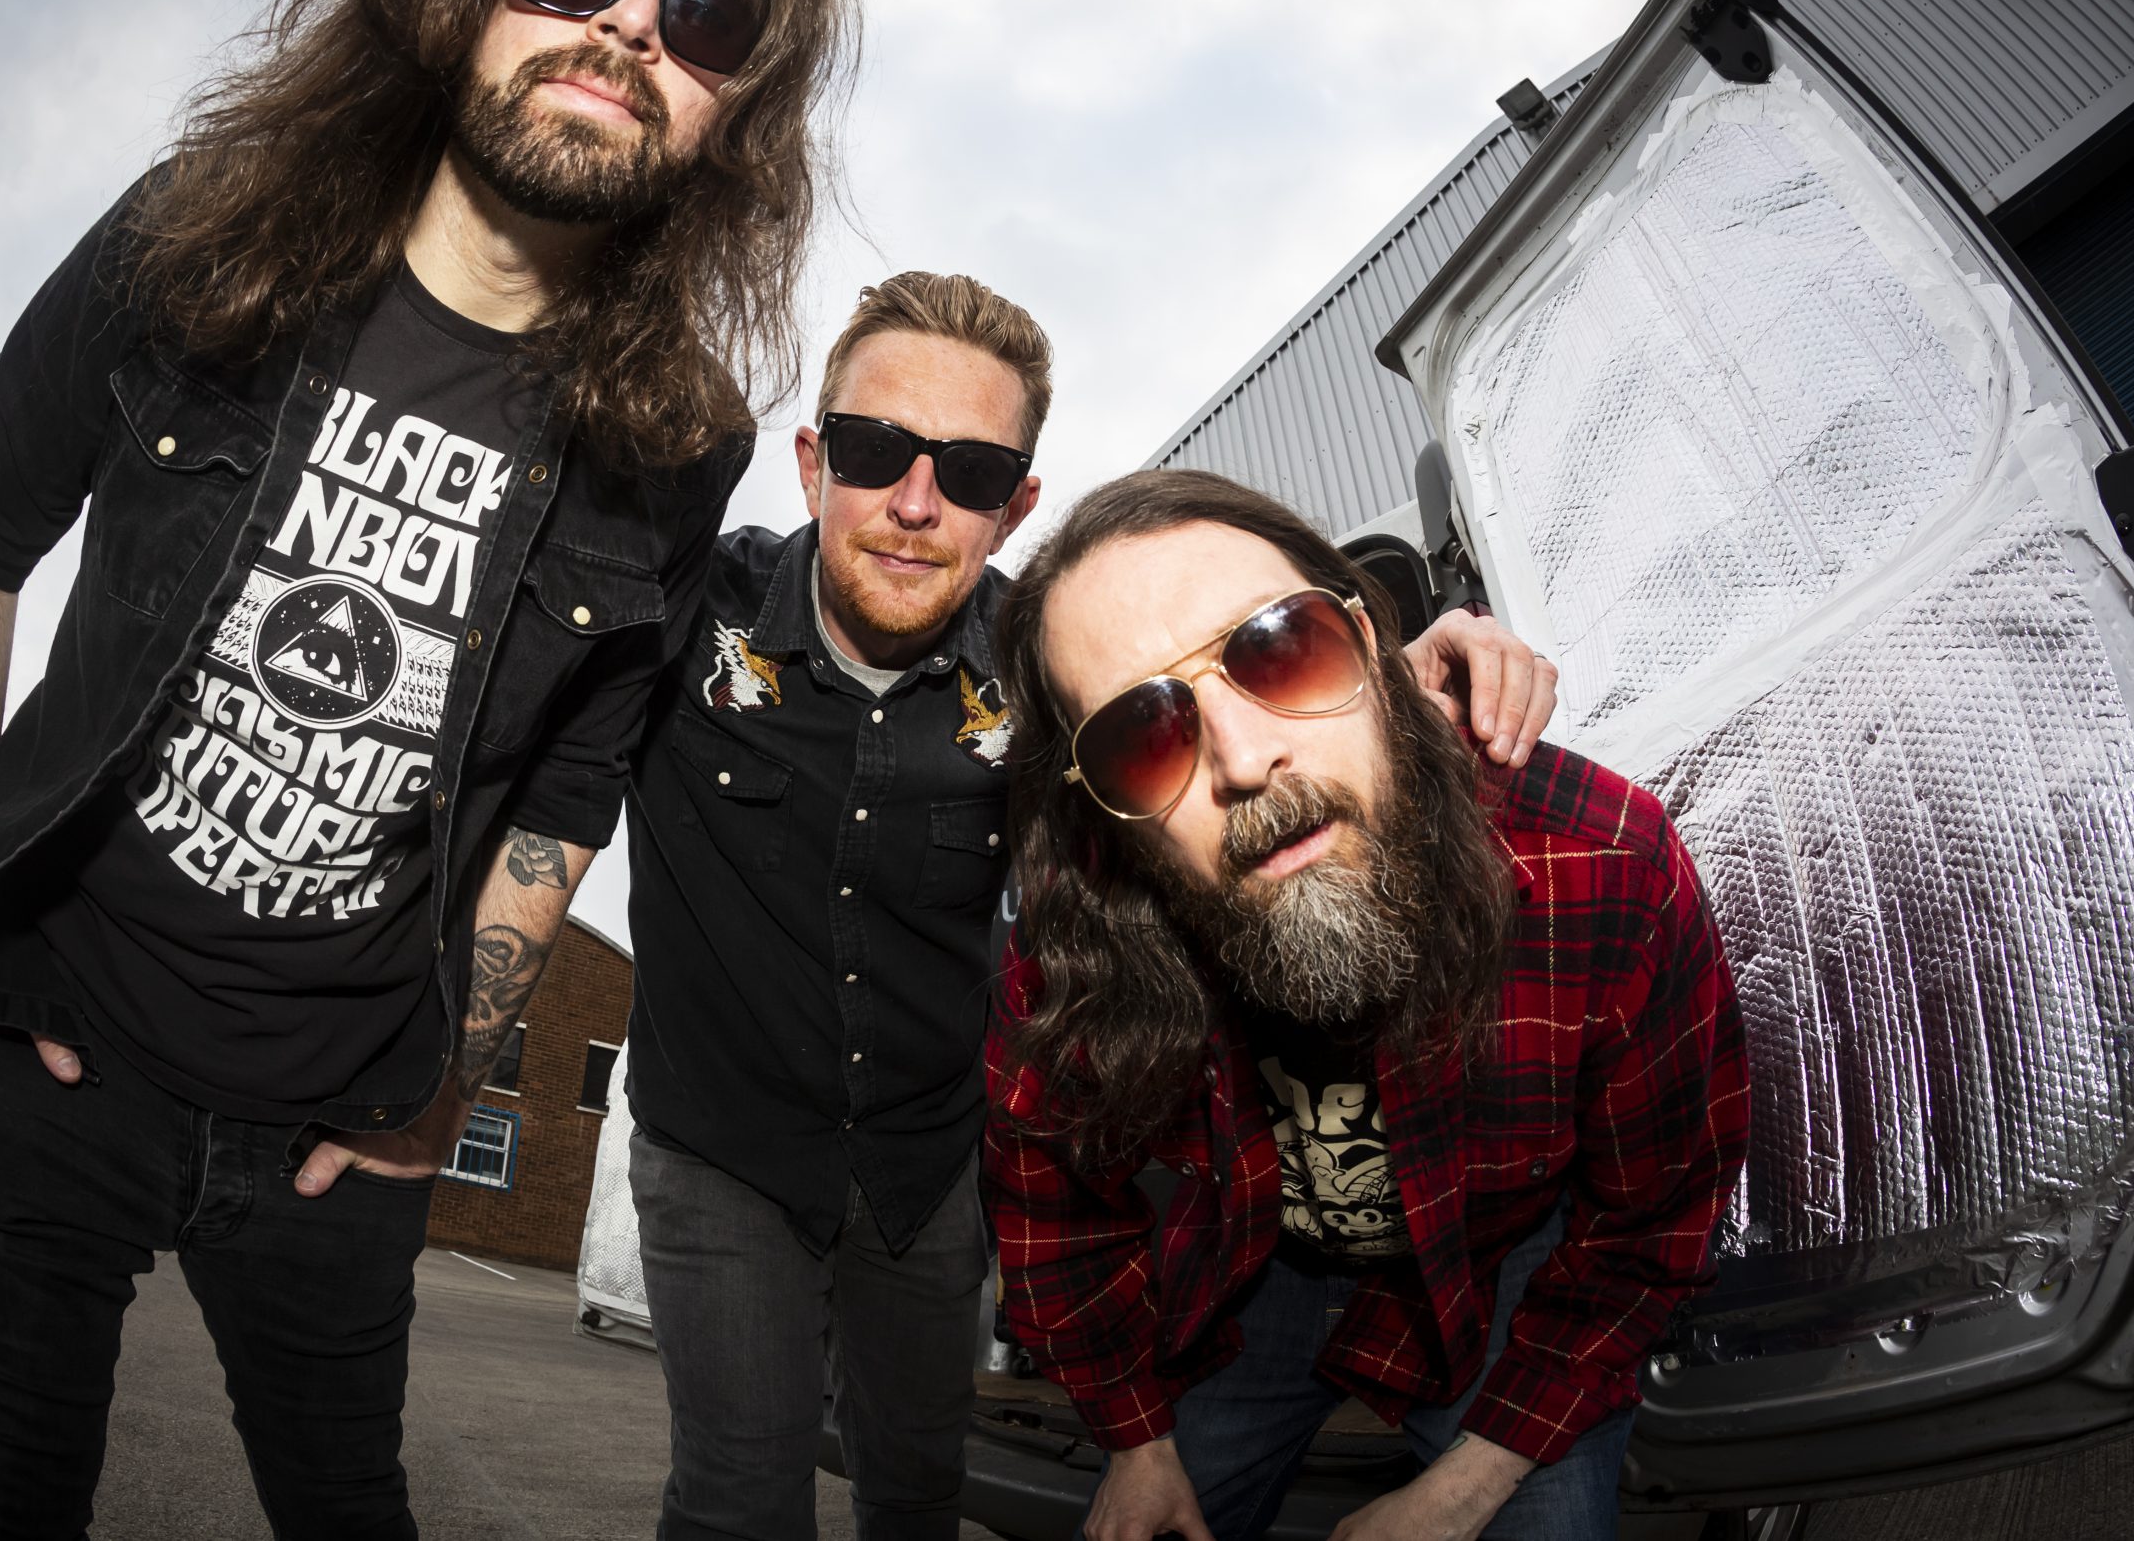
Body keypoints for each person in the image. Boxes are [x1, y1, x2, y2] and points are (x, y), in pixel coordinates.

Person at [0, 0, 853, 1535]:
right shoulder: (204, 224)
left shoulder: (680, 438)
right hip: (48, 1043)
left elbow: (570, 788)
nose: (632, 25)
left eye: (708, 15)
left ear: (735, 114)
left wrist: (447, 1089)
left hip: (340, 1129)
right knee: (1, 1493)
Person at [619, 276, 1565, 1541]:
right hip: (721, 1147)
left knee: (916, 1492)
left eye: (968, 472)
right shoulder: (682, 613)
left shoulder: (1050, 683)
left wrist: (1383, 678)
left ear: (1014, 506)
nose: (914, 503)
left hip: (925, 1168)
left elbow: (1204, 728)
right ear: (811, 464)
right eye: (874, 450)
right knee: (738, 1501)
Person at [982, 469, 1751, 1541]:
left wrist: (1462, 1491)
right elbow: (1055, 1219)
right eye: (1143, 735)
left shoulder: (1602, 867)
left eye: (1278, 649)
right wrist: (1134, 1445)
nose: (1245, 759)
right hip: (1269, 1269)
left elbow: (1649, 1230)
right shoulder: (1085, 947)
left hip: (1502, 1263)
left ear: (1371, 648)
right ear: (1102, 811)